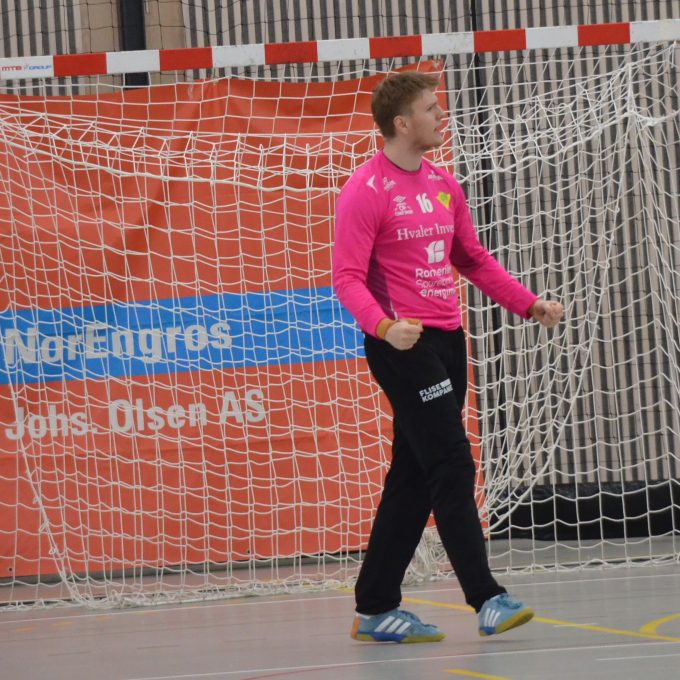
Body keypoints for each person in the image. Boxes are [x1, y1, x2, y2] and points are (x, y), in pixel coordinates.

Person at [331, 71, 564, 644]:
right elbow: (347, 278)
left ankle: (375, 606)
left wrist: (528, 303)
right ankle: (487, 597)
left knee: (413, 474)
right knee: (452, 464)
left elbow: (472, 258)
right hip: (403, 345)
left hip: (448, 341)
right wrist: (386, 327)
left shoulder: (441, 183)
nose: (442, 116)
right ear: (401, 123)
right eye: (430, 109)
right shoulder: (366, 189)